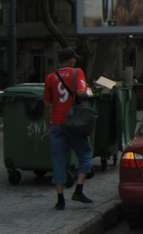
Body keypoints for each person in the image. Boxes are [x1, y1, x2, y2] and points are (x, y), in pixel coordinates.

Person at [43, 47, 93, 211]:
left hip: (56, 123)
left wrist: (49, 124)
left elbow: (47, 104)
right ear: (71, 59)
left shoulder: (51, 77)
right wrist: (89, 91)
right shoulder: (78, 72)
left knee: (58, 160)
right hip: (74, 122)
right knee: (85, 154)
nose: (76, 60)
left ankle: (60, 200)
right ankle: (78, 190)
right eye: (74, 58)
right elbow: (81, 92)